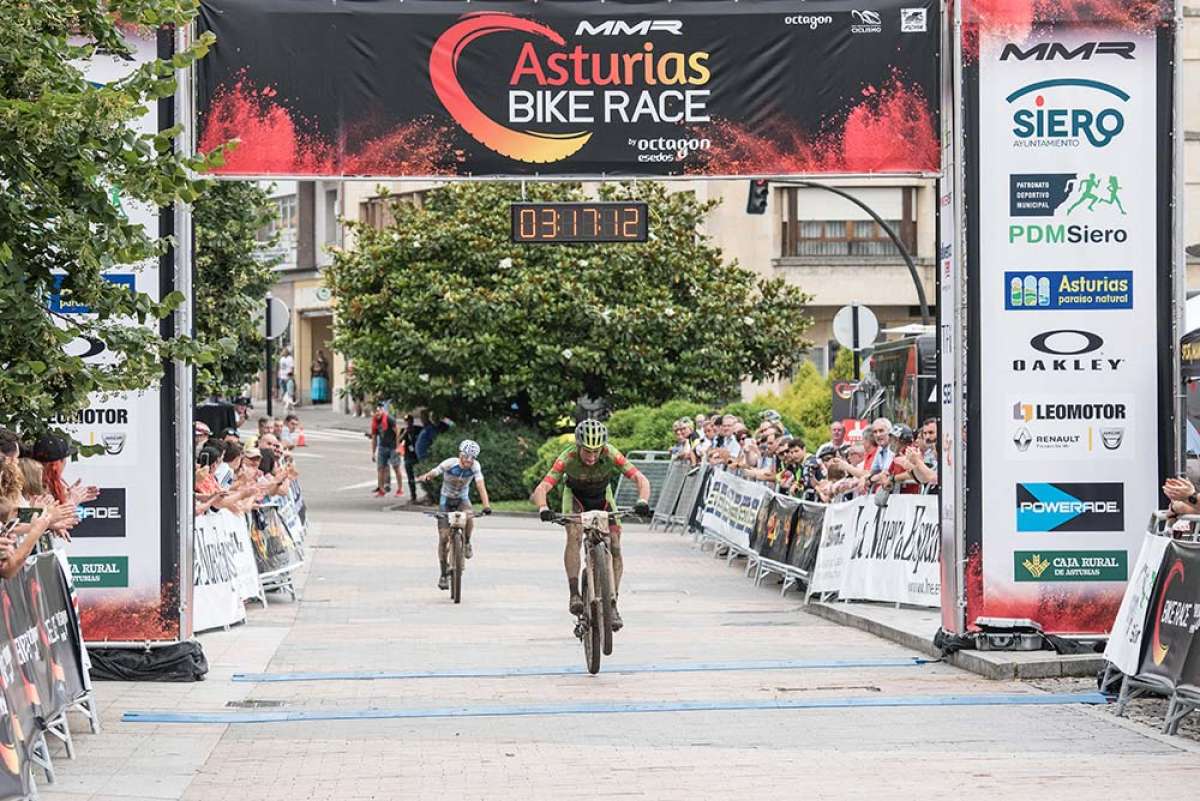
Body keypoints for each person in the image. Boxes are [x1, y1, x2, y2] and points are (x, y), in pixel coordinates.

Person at [530, 420, 651, 629]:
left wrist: (642, 501)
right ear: (578, 446)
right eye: (587, 451)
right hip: (576, 498)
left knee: (615, 545)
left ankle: (612, 604)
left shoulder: (611, 453)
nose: (592, 457)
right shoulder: (567, 457)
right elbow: (543, 487)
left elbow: (641, 479)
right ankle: (574, 593)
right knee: (574, 535)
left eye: (596, 451)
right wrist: (543, 508)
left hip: (602, 498)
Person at [416, 440, 493, 590]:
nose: (469, 461)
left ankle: (468, 542)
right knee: (444, 538)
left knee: (469, 516)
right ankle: (443, 574)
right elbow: (435, 471)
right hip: (446, 500)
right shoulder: (450, 463)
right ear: (460, 455)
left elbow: (480, 486)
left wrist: (486, 506)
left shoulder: (476, 467)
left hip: (462, 499)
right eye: (466, 457)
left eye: (472, 458)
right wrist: (428, 476)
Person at [369, 404, 403, 497]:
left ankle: (400, 489)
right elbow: (374, 438)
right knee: (380, 468)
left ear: (382, 411)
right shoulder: (375, 422)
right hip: (382, 447)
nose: (377, 413)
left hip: (392, 447)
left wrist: (397, 446)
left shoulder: (389, 419)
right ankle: (381, 489)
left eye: (378, 411)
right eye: (375, 412)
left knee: (396, 467)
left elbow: (397, 431)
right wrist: (373, 452)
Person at [401, 414, 420, 500]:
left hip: (417, 456)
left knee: (422, 475)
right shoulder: (404, 430)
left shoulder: (418, 429)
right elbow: (398, 441)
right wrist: (405, 433)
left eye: (409, 421)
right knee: (410, 477)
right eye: (406, 421)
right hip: (408, 456)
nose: (408, 423)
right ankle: (413, 495)